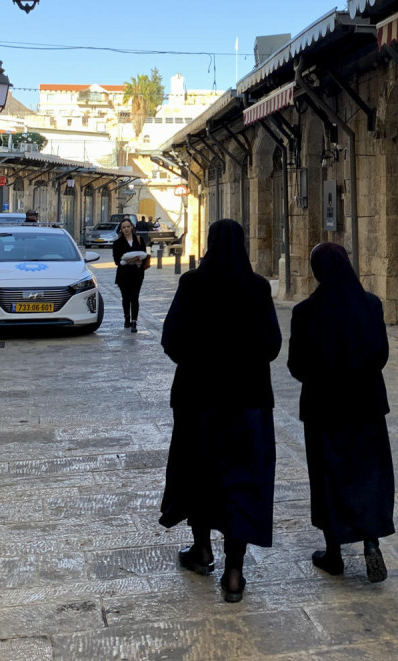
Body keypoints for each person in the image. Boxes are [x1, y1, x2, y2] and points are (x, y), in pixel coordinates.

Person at [159, 219, 282, 603]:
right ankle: (234, 571)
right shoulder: (258, 288)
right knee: (242, 482)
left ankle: (201, 549)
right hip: (248, 404)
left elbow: (172, 339)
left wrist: (199, 363)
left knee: (200, 475)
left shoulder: (192, 284)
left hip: (199, 402)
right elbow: (273, 345)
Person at [287, 241, 394, 583]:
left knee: (328, 476)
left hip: (324, 409)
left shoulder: (305, 312)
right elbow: (381, 355)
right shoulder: (370, 305)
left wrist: (325, 376)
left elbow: (296, 366)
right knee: (368, 474)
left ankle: (333, 553)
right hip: (366, 406)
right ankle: (371, 542)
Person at [111, 218, 148, 332]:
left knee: (135, 297)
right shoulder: (117, 243)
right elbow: (118, 261)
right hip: (124, 274)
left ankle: (134, 322)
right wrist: (131, 260)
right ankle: (127, 318)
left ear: (132, 227)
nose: (126, 229)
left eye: (128, 226)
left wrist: (139, 262)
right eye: (124, 227)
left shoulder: (139, 240)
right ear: (121, 229)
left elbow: (145, 256)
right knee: (126, 298)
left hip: (137, 273)